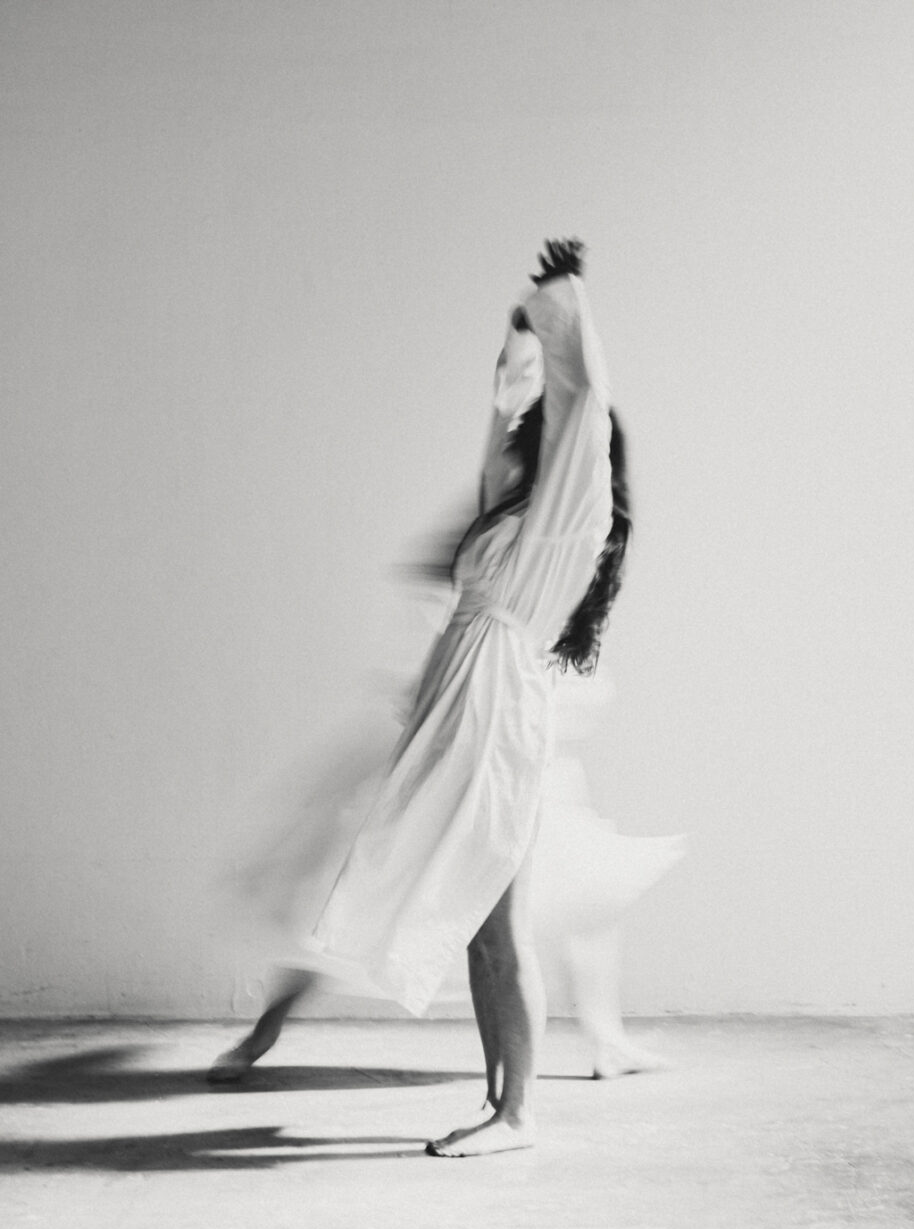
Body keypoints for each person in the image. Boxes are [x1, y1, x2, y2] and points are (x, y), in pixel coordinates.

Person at [210, 239, 625, 1156]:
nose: (512, 453)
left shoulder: (565, 523)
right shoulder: (508, 520)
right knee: (482, 927)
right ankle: (499, 1100)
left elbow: (585, 406)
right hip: (463, 703)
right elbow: (505, 432)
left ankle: (516, 1115)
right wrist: (512, 364)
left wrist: (563, 307)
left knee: (501, 927)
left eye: (528, 444)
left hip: (494, 710)